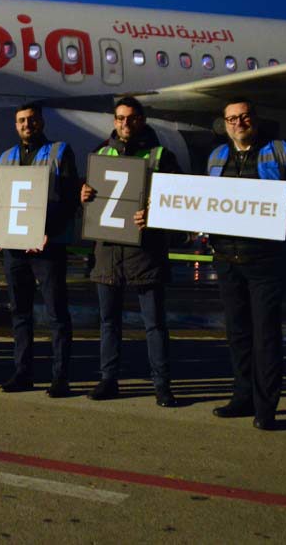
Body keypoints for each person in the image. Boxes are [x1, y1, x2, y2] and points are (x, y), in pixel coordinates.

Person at [206, 97, 286, 430]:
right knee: (237, 334)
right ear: (224, 124)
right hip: (227, 259)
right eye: (232, 118)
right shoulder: (216, 157)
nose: (239, 123)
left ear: (255, 119)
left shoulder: (281, 150)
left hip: (266, 260)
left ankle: (266, 408)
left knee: (265, 336)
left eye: (244, 116)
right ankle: (242, 397)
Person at [80, 97, 180, 405]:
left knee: (154, 324)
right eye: (120, 118)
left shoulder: (161, 155)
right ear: (114, 121)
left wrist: (155, 215)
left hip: (145, 253)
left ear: (142, 120)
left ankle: (162, 385)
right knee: (109, 322)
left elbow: (176, 201)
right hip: (108, 253)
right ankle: (108, 380)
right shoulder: (100, 153)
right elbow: (92, 201)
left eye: (132, 118)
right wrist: (83, 195)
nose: (126, 123)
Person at [0, 104, 78, 397]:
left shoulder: (60, 152)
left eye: (31, 120)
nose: (27, 125)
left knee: (56, 314)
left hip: (46, 246)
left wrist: (47, 231)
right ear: (16, 125)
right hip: (14, 247)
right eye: (21, 121)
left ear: (41, 122)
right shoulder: (6, 157)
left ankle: (60, 377)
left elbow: (68, 199)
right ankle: (23, 372)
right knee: (20, 313)